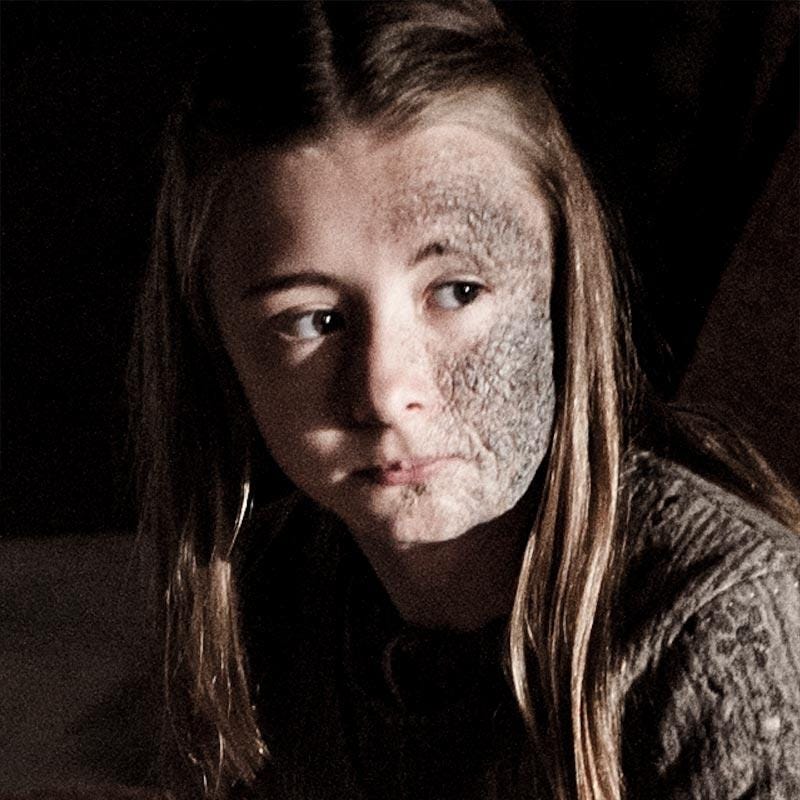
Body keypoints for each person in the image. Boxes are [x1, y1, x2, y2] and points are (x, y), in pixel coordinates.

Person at [129, 2, 800, 798]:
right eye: (312, 320)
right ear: (216, 343)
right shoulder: (271, 606)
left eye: (457, 291)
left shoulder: (720, 633)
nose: (385, 393)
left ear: (562, 281)